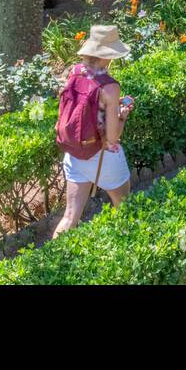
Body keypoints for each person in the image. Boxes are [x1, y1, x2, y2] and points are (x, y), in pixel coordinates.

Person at [53, 25, 136, 238]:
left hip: (74, 153)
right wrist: (122, 116)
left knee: (70, 217)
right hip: (102, 157)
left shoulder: (74, 71)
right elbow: (112, 137)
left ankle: (53, 259)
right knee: (124, 209)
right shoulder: (110, 87)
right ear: (108, 56)